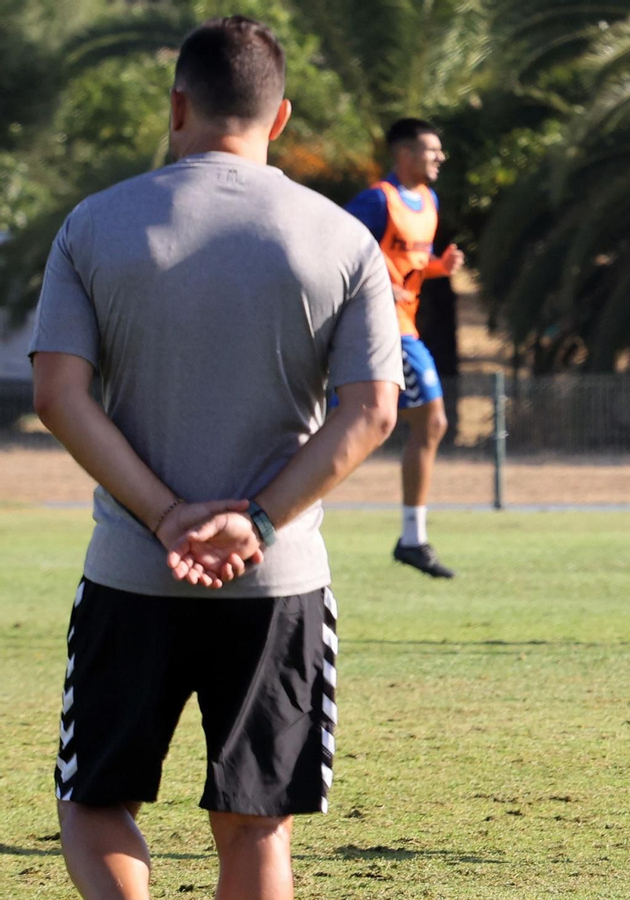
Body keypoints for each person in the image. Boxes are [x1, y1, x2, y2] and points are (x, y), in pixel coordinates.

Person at [29, 17, 401, 898]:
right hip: (278, 581)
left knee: (95, 804)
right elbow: (374, 410)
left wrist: (163, 515)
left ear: (178, 105)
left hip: (132, 573)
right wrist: (256, 521)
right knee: (256, 826)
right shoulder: (343, 239)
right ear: (279, 121)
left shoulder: (94, 225)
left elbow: (57, 396)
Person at [344, 118, 465, 578]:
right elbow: (337, 248)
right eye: (431, 150)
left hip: (403, 324)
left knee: (363, 421)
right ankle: (412, 538)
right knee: (427, 420)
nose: (439, 158)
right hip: (382, 328)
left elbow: (406, 265)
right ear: (405, 154)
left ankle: (413, 538)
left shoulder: (428, 202)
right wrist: (376, 286)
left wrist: (438, 267)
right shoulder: (379, 200)